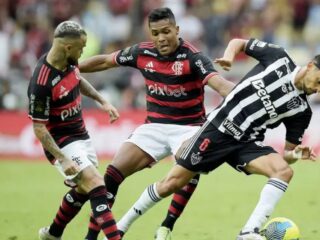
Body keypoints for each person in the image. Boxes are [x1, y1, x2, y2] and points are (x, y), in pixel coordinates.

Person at [115, 37, 319, 240]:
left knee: (283, 171)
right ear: (310, 66)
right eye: (319, 82)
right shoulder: (278, 57)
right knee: (170, 184)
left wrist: (296, 153)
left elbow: (287, 154)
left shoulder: (302, 111)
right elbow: (239, 42)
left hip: (246, 142)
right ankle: (120, 228)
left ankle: (248, 232)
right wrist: (229, 57)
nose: (318, 89)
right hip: (217, 128)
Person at [79, 7, 234, 240]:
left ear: (177, 30)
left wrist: (247, 96)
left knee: (190, 163)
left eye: (166, 31)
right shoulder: (141, 52)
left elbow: (220, 85)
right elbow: (104, 62)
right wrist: (69, 68)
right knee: (111, 174)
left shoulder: (193, 57)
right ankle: (91, 237)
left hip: (189, 127)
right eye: (155, 33)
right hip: (153, 127)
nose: (161, 38)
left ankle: (167, 224)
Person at [27, 21, 123, 240]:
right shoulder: (41, 82)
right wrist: (63, 159)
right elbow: (38, 127)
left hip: (81, 136)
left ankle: (53, 234)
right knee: (98, 184)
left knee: (83, 190)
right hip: (61, 143)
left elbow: (77, 80)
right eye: (81, 47)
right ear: (67, 47)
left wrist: (102, 101)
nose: (82, 53)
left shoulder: (69, 64)